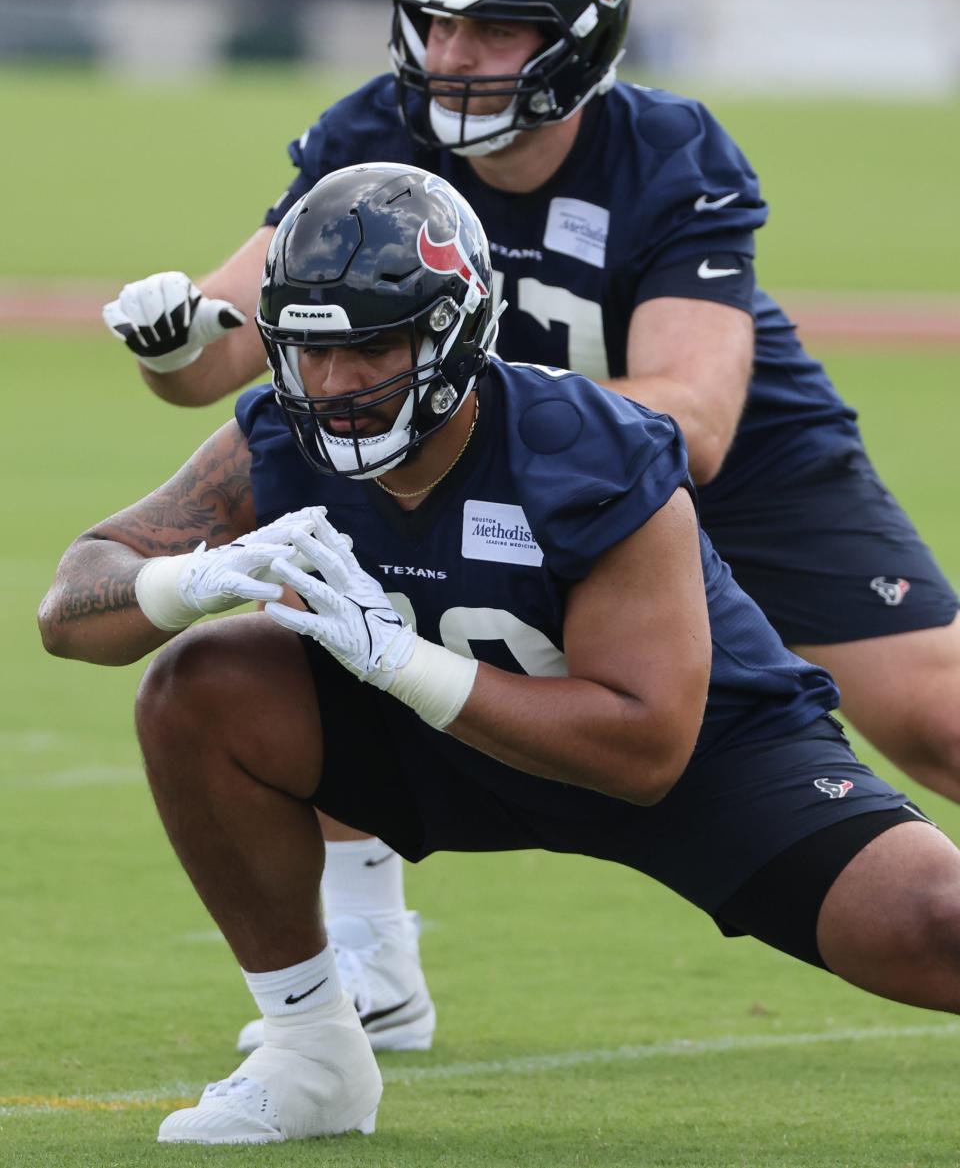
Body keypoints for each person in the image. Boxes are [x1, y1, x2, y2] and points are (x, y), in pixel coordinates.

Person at [101, 0, 960, 1055]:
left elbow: (694, 422)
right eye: (437, 20)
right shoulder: (374, 134)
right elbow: (223, 364)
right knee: (356, 581)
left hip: (745, 478)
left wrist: (457, 397)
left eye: (496, 25)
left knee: (938, 720)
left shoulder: (664, 148)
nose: (454, 54)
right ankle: (368, 954)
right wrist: (174, 343)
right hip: (469, 464)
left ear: (578, 37)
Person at [42, 164, 960, 1146]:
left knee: (935, 925)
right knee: (201, 682)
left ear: (455, 332)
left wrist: (396, 661)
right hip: (450, 748)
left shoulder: (586, 447)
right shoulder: (278, 432)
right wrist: (188, 581)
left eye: (372, 346)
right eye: (310, 350)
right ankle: (312, 1049)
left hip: (707, 758)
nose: (337, 383)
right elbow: (70, 604)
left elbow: (645, 747)